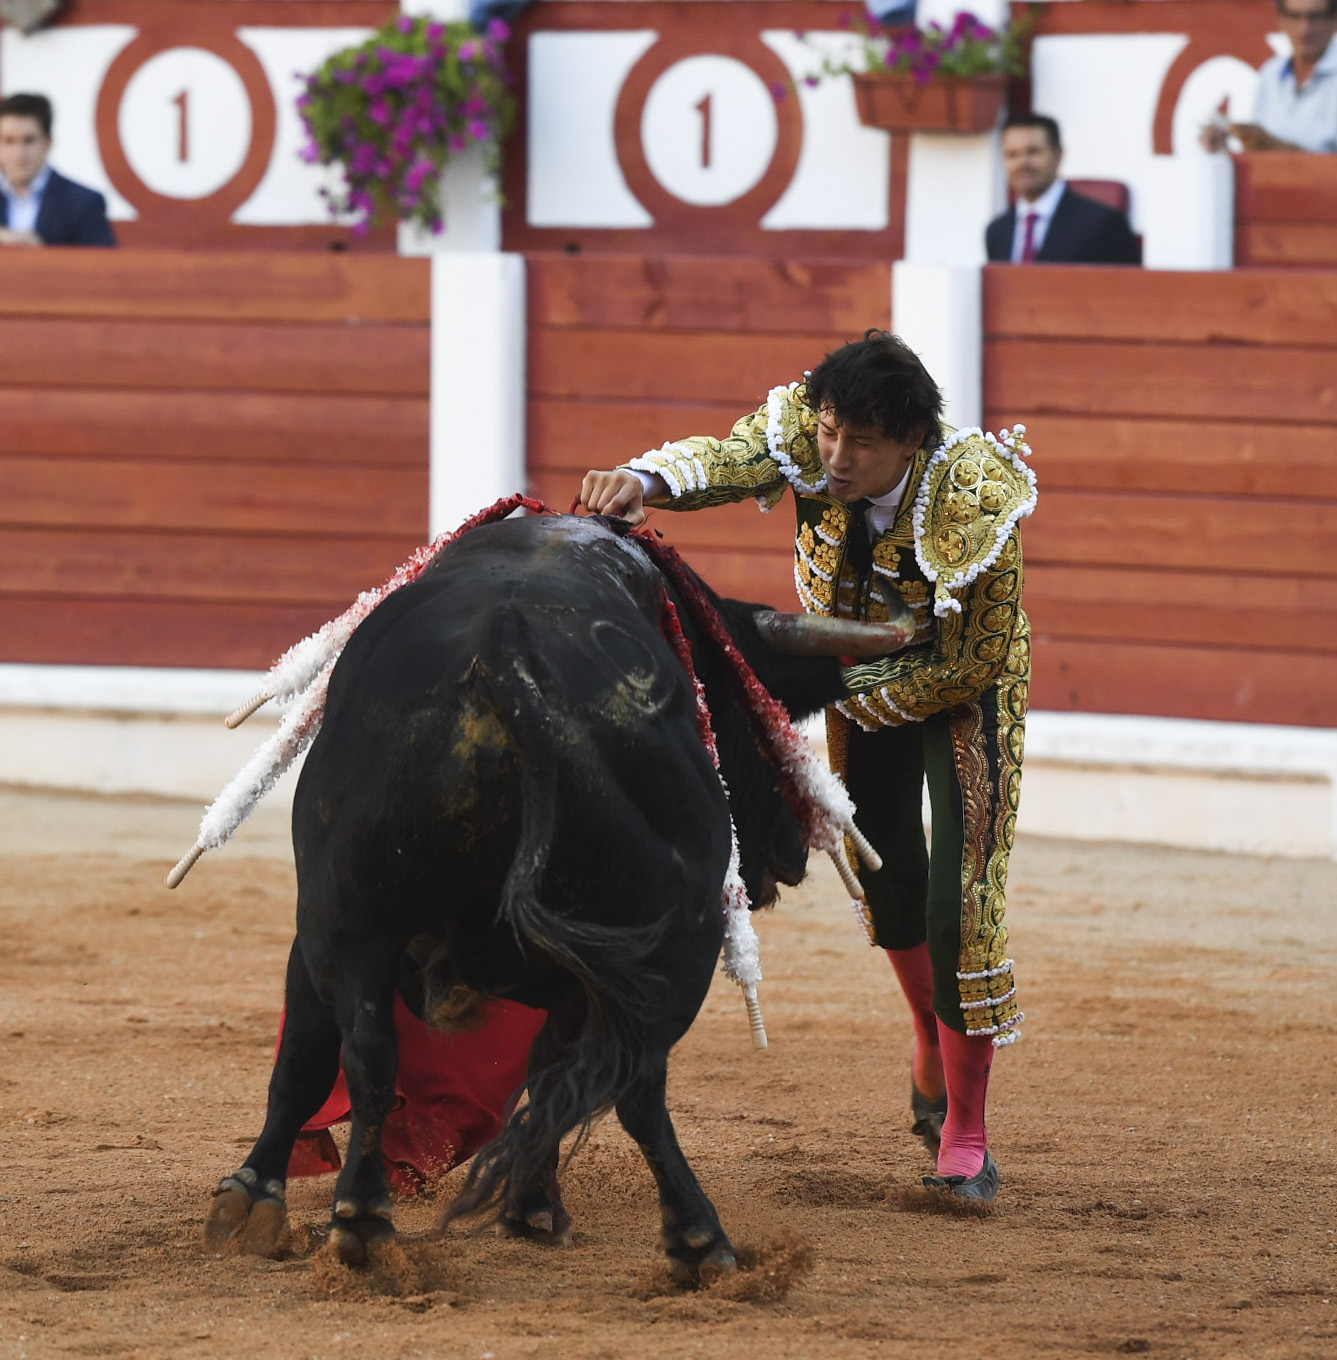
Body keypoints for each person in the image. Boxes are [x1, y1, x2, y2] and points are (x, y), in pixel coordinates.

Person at [578, 331, 1036, 1203]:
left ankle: (966, 1133)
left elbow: (969, 663)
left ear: (912, 442)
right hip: (852, 676)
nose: (835, 456)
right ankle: (925, 1025)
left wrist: (806, 685)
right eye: (829, 432)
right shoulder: (806, 435)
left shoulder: (974, 497)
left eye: (860, 443)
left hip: (965, 688)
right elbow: (732, 456)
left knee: (962, 902)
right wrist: (643, 481)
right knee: (889, 877)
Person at [986, 113, 1141, 265]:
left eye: (1033, 152)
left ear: (1058, 155)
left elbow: (1126, 287)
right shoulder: (998, 230)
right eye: (1012, 155)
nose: (1022, 163)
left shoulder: (1102, 224)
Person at [1200, 0, 1337, 153]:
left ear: (1334, 20)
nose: (1304, 30)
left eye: (1315, 17)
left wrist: (1268, 144)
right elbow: (1258, 159)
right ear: (1281, 20)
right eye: (1294, 16)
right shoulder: (1270, 73)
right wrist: (1224, 149)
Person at [0, 92, 117, 247]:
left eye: (29, 141)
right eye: (9, 141)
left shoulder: (84, 203)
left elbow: (105, 266)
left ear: (48, 142)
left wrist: (41, 255)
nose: (19, 153)